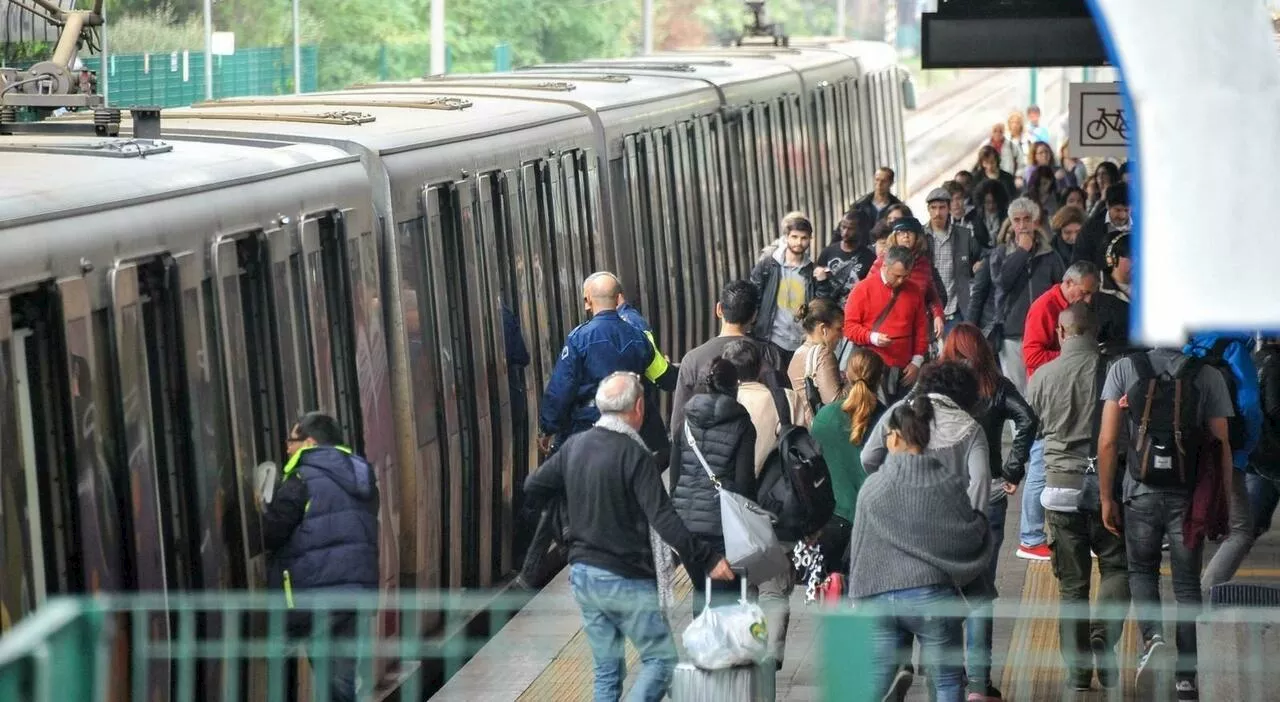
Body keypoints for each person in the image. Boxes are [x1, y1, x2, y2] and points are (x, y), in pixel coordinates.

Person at [523, 372, 734, 702]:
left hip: (584, 575)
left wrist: (569, 518)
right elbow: (663, 517)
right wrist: (706, 558)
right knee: (661, 662)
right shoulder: (634, 455)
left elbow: (533, 487)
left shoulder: (575, 446)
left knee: (607, 670)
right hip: (625, 579)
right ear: (638, 407)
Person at [1098, 346, 1235, 700]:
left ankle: (1152, 641)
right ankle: (1186, 678)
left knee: (1142, 571)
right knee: (1187, 586)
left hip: (1139, 491)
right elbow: (1221, 444)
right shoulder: (1207, 375)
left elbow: (1109, 441)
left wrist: (1106, 497)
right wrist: (1224, 502)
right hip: (1188, 497)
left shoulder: (1124, 368)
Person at [848, 394, 993, 702]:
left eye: (888, 434)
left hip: (881, 598)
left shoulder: (873, 488)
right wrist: (980, 525)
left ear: (898, 437)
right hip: (931, 598)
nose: (886, 440)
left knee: (874, 681)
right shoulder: (947, 485)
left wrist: (857, 599)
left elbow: (859, 549)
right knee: (948, 681)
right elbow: (966, 535)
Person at [1026, 304, 1128, 693]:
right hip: (1109, 488)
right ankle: (1103, 637)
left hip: (1060, 489)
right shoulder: (1117, 372)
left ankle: (1078, 673)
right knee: (1117, 568)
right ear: (1096, 332)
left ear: (1060, 332)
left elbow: (1031, 428)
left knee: (1072, 588)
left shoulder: (1043, 376)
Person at [939, 323, 1037, 702]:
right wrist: (1012, 471)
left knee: (944, 588)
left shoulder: (938, 386)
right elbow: (1027, 419)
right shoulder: (995, 385)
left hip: (944, 496)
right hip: (990, 495)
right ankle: (979, 685)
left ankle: (949, 676)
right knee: (981, 590)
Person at [263, 413, 379, 702]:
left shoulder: (300, 479)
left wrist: (261, 508)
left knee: (324, 679)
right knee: (342, 684)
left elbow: (273, 532)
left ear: (309, 442)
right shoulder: (361, 475)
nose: (287, 448)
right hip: (354, 595)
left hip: (315, 598)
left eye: (291, 440)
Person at [669, 358, 757, 613]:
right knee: (724, 598)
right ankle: (716, 648)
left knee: (700, 590)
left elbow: (674, 479)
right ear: (735, 386)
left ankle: (703, 643)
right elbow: (743, 483)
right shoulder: (742, 425)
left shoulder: (684, 423)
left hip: (686, 527)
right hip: (722, 527)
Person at [669, 280, 783, 438]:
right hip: (762, 450)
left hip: (707, 452)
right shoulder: (769, 354)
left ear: (719, 309)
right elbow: (783, 407)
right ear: (754, 315)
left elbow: (678, 425)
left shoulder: (693, 359)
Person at [810, 347, 887, 575]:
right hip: (874, 525)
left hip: (832, 522)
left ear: (845, 374)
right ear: (880, 378)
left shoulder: (824, 418)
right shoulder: (890, 421)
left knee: (830, 593)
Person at [843, 244, 929, 402]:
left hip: (904, 367)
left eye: (906, 276)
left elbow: (921, 328)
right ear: (884, 266)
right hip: (870, 366)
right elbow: (849, 327)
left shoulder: (914, 290)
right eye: (896, 275)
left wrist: (917, 361)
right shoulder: (862, 289)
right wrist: (872, 337)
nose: (901, 280)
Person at [749, 213, 836, 369]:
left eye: (804, 238)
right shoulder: (769, 265)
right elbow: (754, 295)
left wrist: (822, 282)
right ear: (786, 237)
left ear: (810, 239)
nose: (799, 242)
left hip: (800, 341)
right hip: (770, 340)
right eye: (794, 237)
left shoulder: (812, 271)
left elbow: (821, 307)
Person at [787, 298, 845, 426]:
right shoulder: (823, 354)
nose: (841, 336)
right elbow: (834, 402)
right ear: (823, 329)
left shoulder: (799, 352)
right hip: (820, 430)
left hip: (803, 428)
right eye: (839, 329)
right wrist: (854, 381)